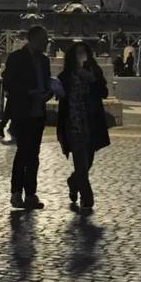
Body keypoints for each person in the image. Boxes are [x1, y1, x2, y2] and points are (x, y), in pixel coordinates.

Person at [3, 25, 54, 210]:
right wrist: (29, 92)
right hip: (22, 111)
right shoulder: (16, 58)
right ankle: (16, 193)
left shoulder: (44, 61)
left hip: (38, 112)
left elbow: (46, 82)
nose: (47, 42)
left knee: (34, 155)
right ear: (33, 39)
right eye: (44, 39)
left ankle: (31, 194)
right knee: (23, 153)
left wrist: (50, 92)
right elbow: (8, 82)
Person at [56, 41, 111, 211]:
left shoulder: (94, 70)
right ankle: (87, 198)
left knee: (88, 161)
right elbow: (60, 95)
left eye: (83, 52)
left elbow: (104, 92)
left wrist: (93, 80)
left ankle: (73, 182)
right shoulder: (66, 75)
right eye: (77, 52)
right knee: (80, 161)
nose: (81, 55)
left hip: (91, 121)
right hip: (73, 121)